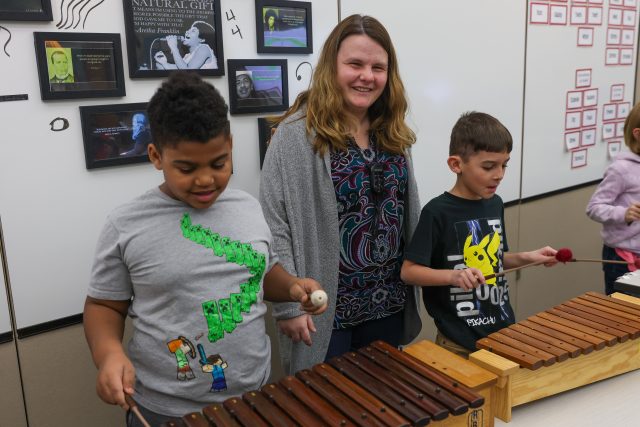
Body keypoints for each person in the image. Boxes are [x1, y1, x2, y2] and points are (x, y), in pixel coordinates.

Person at [83, 71, 328, 426]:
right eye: (186, 168)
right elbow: (104, 304)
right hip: (165, 408)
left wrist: (291, 286)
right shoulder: (126, 224)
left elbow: (260, 271)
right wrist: (108, 354)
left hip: (253, 394)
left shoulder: (247, 207)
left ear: (230, 146)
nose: (205, 179)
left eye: (218, 163)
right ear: (156, 156)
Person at [259, 14, 422, 375]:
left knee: (382, 405)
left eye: (378, 67)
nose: (367, 76)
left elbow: (407, 212)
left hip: (388, 305)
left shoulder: (393, 132)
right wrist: (288, 307)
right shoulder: (296, 134)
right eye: (355, 64)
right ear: (332, 66)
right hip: (325, 313)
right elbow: (275, 223)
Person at [401, 112, 557, 357]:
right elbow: (409, 272)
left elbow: (494, 258)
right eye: (488, 166)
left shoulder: (494, 204)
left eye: (504, 164)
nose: (499, 174)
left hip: (501, 333)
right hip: (457, 342)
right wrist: (454, 276)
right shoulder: (437, 211)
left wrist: (528, 257)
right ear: (456, 164)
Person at [586, 102, 640, 295]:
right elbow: (594, 208)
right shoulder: (621, 170)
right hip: (621, 258)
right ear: (638, 134)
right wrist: (624, 213)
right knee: (623, 317)